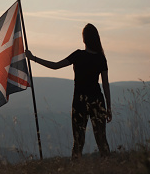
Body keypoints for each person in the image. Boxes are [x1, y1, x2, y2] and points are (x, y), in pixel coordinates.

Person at [25, 23, 111, 159]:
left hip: (79, 102)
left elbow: (55, 66)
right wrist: (108, 106)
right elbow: (105, 84)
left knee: (78, 142)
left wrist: (33, 58)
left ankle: (75, 168)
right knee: (101, 140)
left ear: (84, 39)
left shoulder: (78, 55)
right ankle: (108, 167)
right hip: (97, 101)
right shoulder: (101, 58)